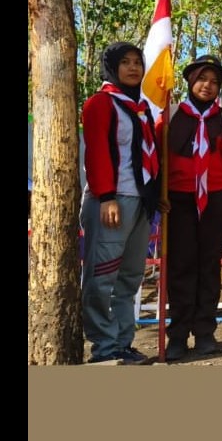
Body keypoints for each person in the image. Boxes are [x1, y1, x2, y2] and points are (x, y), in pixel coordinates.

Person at [155, 55, 222, 361]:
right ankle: (177, 335)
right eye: (202, 79)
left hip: (216, 198)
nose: (208, 86)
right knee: (181, 266)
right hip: (178, 199)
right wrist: (158, 192)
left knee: (209, 266)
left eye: (214, 81)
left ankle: (205, 332)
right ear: (191, 81)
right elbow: (157, 157)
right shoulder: (171, 115)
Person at [80, 42, 161, 364]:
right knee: (102, 278)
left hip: (140, 201)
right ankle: (103, 346)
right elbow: (97, 151)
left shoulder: (141, 108)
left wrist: (157, 196)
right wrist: (106, 196)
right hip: (111, 200)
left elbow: (149, 156)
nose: (133, 68)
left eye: (137, 62)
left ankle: (123, 342)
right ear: (112, 68)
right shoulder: (100, 103)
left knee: (130, 278)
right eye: (125, 62)